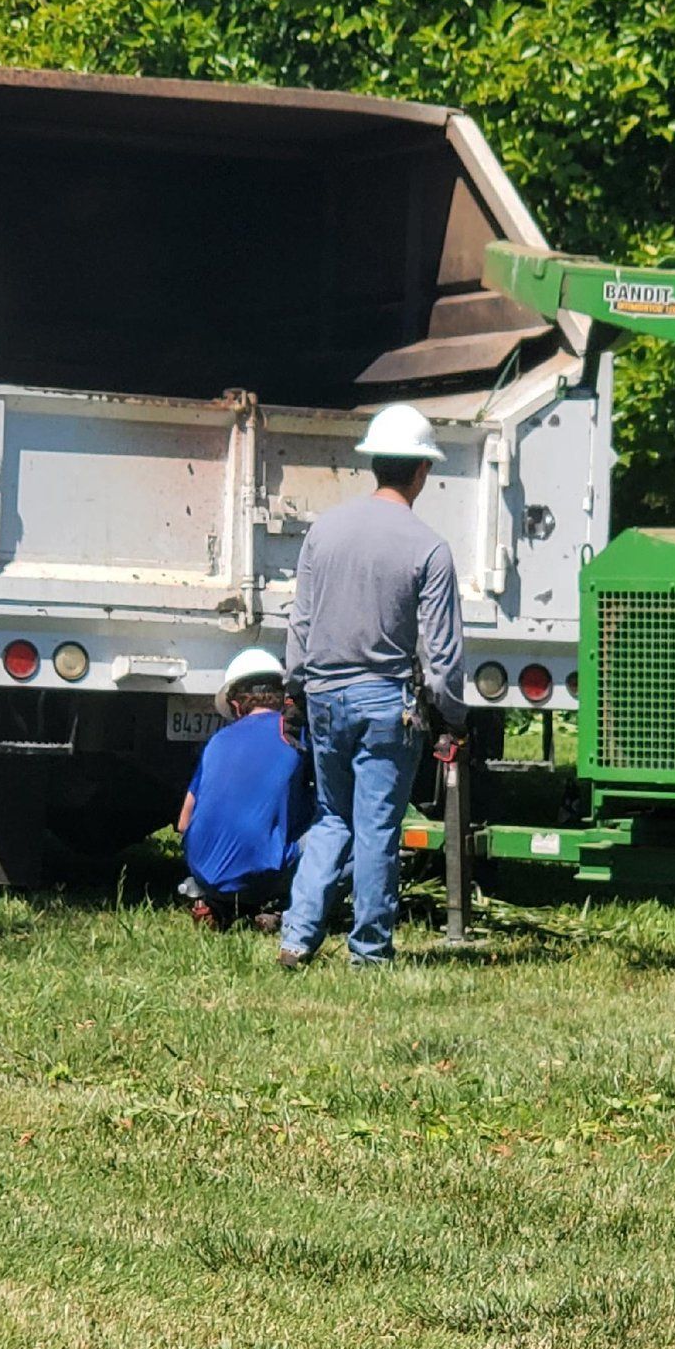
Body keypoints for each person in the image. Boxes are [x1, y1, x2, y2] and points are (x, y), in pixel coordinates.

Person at [278, 403, 465, 969]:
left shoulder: (324, 532)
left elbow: (301, 623)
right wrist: (451, 719)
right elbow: (441, 652)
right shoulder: (429, 547)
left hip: (325, 699)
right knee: (378, 827)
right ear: (421, 472)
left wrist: (293, 695)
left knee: (333, 817)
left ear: (375, 464)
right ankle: (370, 951)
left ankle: (297, 936)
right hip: (386, 704)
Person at [178, 648, 311, 929]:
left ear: (236, 706)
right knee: (342, 831)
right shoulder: (295, 734)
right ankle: (289, 911)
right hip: (263, 877)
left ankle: (218, 904)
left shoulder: (217, 741)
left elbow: (183, 822)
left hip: (202, 873)